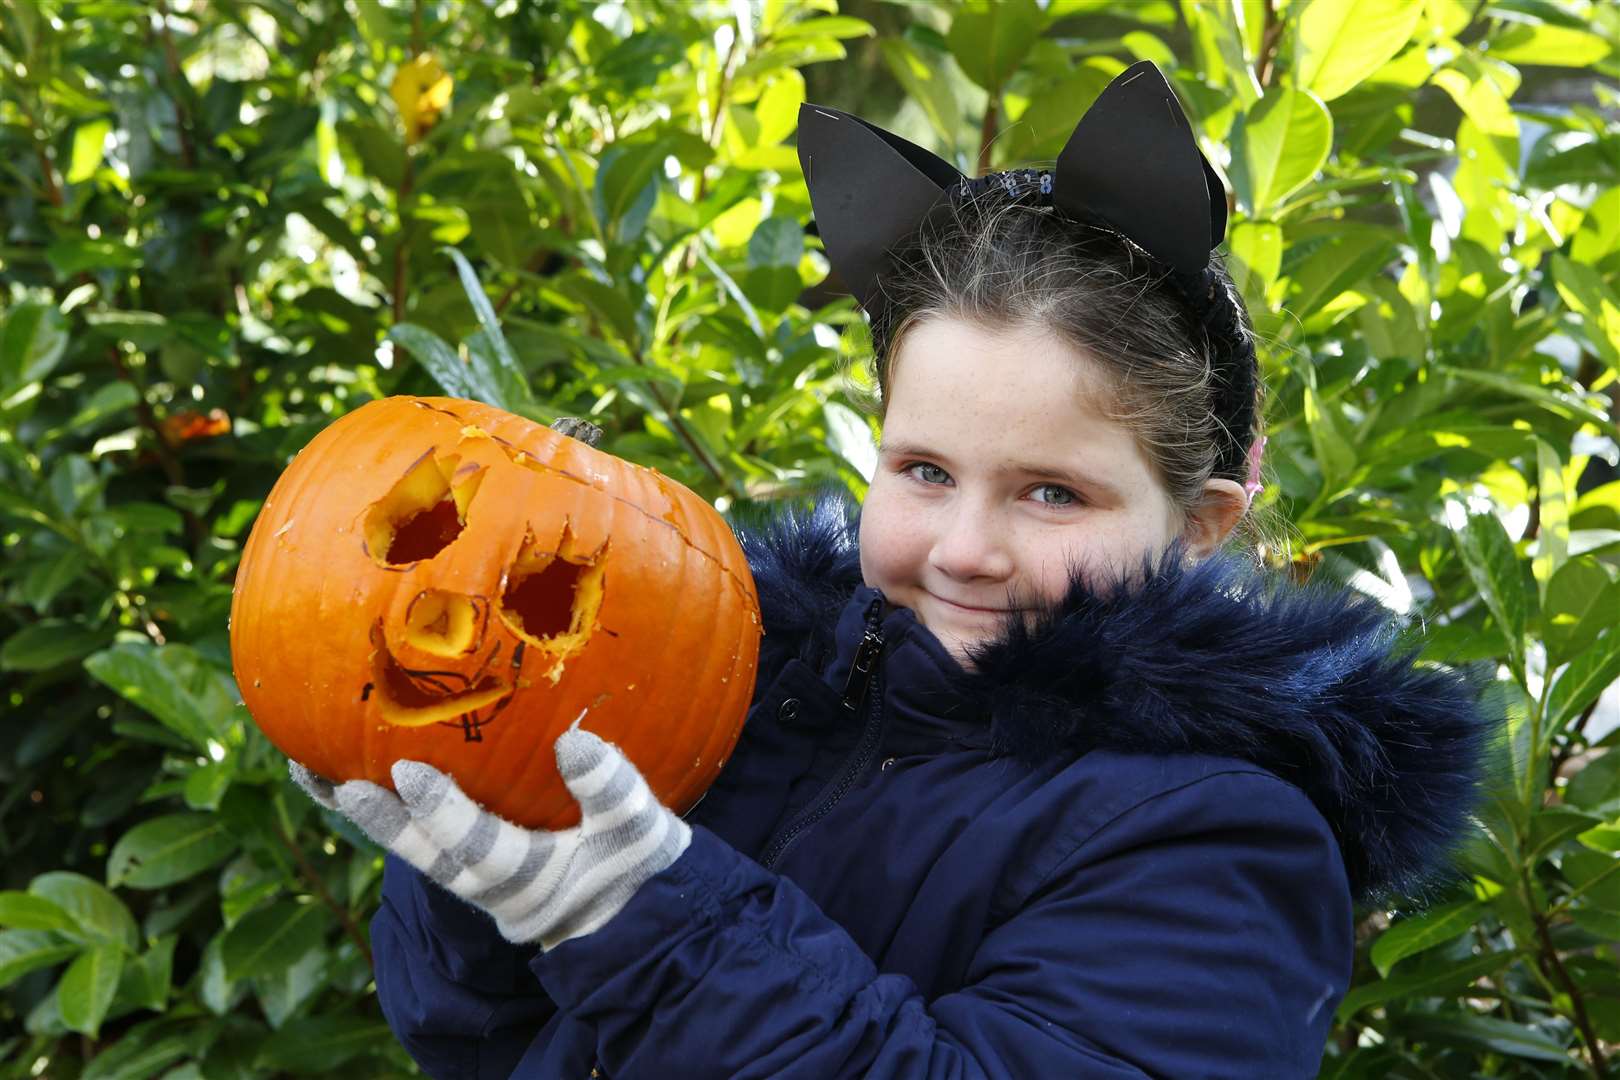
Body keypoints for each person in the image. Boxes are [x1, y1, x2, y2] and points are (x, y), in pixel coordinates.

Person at [292, 61, 1498, 1078]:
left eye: (1051, 493)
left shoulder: (1222, 842)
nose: (965, 548)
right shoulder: (739, 704)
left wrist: (643, 921)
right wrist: (482, 866)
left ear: (1200, 524)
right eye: (924, 470)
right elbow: (475, 1043)